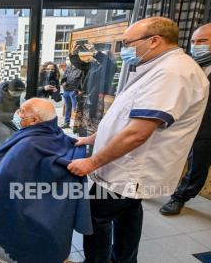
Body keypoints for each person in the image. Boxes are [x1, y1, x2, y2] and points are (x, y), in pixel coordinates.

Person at [67, 17, 209, 263]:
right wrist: (93, 138)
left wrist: (92, 163)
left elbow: (138, 133)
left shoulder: (172, 72)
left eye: (127, 42)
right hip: (126, 169)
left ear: (154, 41)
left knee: (96, 217)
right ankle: (123, 260)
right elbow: (124, 117)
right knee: (128, 214)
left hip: (131, 169)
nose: (124, 49)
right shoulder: (157, 66)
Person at [0, 98, 92, 263]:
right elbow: (11, 156)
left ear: (34, 120)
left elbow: (0, 176)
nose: (17, 115)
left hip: (19, 192)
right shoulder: (56, 134)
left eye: (21, 112)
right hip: (46, 198)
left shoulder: (30, 143)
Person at [160, 23, 211, 215]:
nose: (196, 45)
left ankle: (179, 198)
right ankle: (153, 186)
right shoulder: (187, 65)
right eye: (193, 41)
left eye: (203, 41)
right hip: (180, 122)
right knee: (165, 155)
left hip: (206, 128)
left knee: (197, 164)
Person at [0, 79, 26, 146]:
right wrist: (15, 115)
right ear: (9, 90)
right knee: (5, 132)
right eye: (15, 93)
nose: (17, 95)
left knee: (16, 132)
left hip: (6, 117)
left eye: (19, 93)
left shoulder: (15, 94)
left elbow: (16, 108)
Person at [60, 57, 84, 128]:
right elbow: (64, 77)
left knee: (76, 109)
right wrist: (63, 83)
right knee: (68, 108)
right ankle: (66, 123)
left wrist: (77, 90)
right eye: (68, 59)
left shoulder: (80, 69)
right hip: (66, 90)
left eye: (69, 59)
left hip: (74, 91)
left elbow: (81, 81)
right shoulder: (69, 67)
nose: (68, 61)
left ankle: (77, 125)